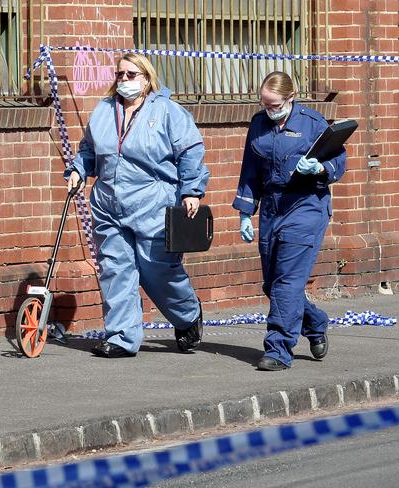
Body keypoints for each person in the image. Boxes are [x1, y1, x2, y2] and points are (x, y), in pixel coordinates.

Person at [65, 53, 209, 358]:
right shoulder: (105, 110)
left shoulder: (168, 111)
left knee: (157, 269)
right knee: (115, 269)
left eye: (132, 74)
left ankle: (187, 315)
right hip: (108, 202)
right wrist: (78, 169)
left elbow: (190, 151)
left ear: (147, 78)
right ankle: (121, 336)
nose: (125, 80)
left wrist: (191, 191)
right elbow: (89, 149)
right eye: (120, 75)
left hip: (152, 202)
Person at [233, 71, 347, 371]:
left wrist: (320, 168)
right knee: (273, 284)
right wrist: (246, 211)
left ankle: (278, 349)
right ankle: (315, 321)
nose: (269, 110)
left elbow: (339, 159)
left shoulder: (312, 123)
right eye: (264, 104)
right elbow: (250, 170)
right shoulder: (258, 124)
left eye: (274, 105)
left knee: (287, 282)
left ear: (290, 98)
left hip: (305, 205)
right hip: (273, 207)